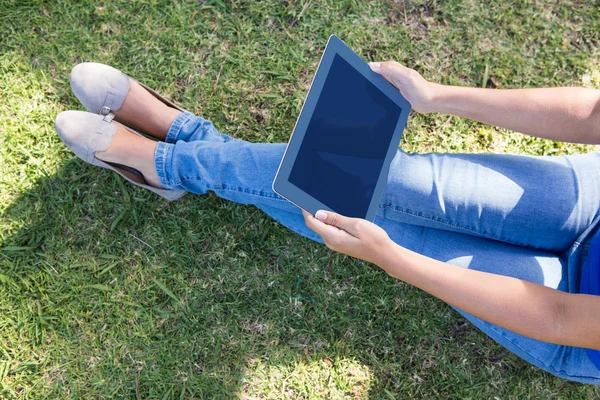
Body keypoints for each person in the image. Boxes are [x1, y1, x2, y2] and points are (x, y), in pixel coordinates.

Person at [55, 61, 600, 384]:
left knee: (348, 208)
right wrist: (438, 97)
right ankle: (189, 149)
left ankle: (171, 159)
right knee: (377, 179)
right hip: (591, 201)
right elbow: (594, 114)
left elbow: (556, 317)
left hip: (570, 312)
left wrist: (395, 260)